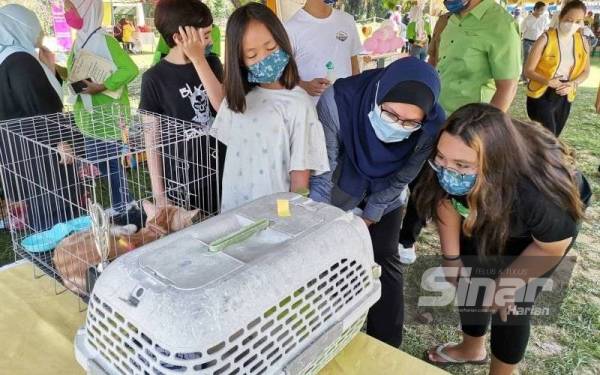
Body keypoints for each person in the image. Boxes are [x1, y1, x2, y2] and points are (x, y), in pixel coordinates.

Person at [418, 104, 587, 375]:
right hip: (487, 206)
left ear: (495, 164)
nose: (448, 172)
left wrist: (508, 282)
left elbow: (549, 247)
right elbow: (446, 202)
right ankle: (472, 348)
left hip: (539, 238)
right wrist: (451, 258)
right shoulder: (450, 154)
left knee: (512, 304)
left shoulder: (539, 194)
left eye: (462, 166)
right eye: (442, 159)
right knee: (471, 276)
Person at [310, 57, 446, 347]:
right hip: (339, 188)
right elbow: (324, 166)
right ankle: (330, 336)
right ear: (379, 96)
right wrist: (321, 219)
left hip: (387, 197)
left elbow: (403, 176)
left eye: (410, 122)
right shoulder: (339, 101)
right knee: (331, 262)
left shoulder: (432, 127)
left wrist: (372, 213)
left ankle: (386, 343)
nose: (398, 127)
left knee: (384, 259)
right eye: (390, 114)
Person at [211, 3, 329, 212]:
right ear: (238, 60)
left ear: (282, 42)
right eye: (252, 55)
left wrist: (288, 219)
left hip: (275, 215)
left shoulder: (299, 103)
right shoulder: (235, 101)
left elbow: (300, 175)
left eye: (270, 48)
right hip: (234, 211)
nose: (264, 58)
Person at [0, 4, 83, 231]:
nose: (41, 33)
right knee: (60, 211)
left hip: (18, 150)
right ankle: (69, 256)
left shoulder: (6, 57)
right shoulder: (20, 61)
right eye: (36, 27)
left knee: (41, 209)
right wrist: (62, 141)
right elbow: (41, 107)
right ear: (21, 27)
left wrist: (48, 68)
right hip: (44, 151)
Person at [140, 0, 225, 213]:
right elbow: (152, 139)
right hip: (182, 181)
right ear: (179, 38)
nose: (209, 41)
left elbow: (222, 106)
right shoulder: (154, 79)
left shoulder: (212, 64)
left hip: (221, 171)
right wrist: (159, 196)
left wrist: (199, 60)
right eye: (204, 35)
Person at [65, 0, 139, 215]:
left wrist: (103, 86)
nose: (68, 14)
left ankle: (123, 205)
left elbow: (130, 69)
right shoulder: (79, 41)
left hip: (107, 115)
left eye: (71, 9)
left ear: (88, 9)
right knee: (100, 159)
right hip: (88, 116)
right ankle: (124, 202)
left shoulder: (105, 41)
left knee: (111, 163)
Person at [437, 0, 521, 114]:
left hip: (469, 121)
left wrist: (485, 127)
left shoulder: (501, 24)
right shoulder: (451, 18)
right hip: (438, 112)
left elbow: (508, 87)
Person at [525, 0, 590, 137]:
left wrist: (573, 84)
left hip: (565, 93)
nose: (573, 25)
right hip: (542, 93)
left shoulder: (582, 41)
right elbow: (528, 71)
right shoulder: (545, 39)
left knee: (555, 136)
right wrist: (548, 81)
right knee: (548, 137)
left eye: (578, 21)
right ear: (561, 17)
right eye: (569, 20)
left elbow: (586, 71)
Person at [284, 0, 362, 104]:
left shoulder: (347, 20)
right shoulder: (290, 28)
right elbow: (282, 74)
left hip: (345, 110)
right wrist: (304, 85)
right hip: (310, 112)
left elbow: (354, 66)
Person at [521, 2, 548, 80]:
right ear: (536, 9)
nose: (543, 11)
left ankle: (535, 77)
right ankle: (524, 78)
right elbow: (522, 30)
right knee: (527, 60)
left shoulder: (544, 19)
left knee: (538, 59)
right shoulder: (527, 19)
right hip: (527, 41)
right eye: (542, 9)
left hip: (539, 42)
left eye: (544, 10)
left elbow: (546, 30)